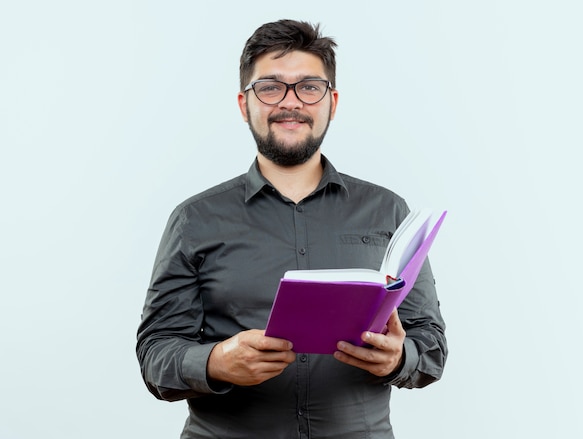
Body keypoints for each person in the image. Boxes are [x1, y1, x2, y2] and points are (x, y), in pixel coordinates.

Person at [136, 19, 447, 439]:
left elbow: (430, 347)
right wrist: (216, 361)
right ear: (245, 104)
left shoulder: (388, 211)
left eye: (308, 87)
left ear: (332, 102)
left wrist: (398, 359)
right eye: (270, 87)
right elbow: (156, 354)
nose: (290, 102)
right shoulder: (195, 220)